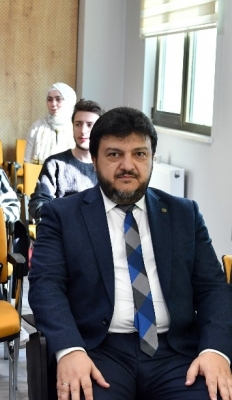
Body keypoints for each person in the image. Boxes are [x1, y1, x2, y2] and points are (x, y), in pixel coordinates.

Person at [28, 107, 232, 400]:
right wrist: (70, 349)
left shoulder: (184, 214)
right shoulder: (62, 215)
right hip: (97, 351)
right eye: (114, 154)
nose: (128, 165)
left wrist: (215, 350)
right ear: (94, 160)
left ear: (152, 158)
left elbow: (214, 289)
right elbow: (46, 286)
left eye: (139, 154)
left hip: (175, 353)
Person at [28, 99, 104, 221]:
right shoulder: (54, 164)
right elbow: (37, 204)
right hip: (62, 228)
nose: (83, 131)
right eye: (78, 124)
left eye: (90, 125)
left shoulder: (108, 166)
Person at [24, 82, 77, 165]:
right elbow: (27, 163)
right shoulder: (37, 127)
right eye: (49, 99)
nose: (53, 104)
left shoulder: (75, 127)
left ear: (68, 101)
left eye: (58, 99)